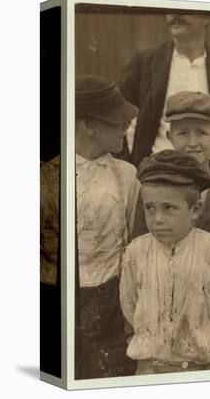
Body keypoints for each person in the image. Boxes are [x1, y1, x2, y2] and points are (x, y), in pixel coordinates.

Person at [45, 74, 140, 379]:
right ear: (87, 125)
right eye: (116, 122)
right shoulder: (49, 175)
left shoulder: (127, 174)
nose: (125, 127)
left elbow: (129, 237)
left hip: (112, 298)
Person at [120, 150, 210, 374]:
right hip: (150, 367)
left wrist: (207, 343)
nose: (157, 219)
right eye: (150, 208)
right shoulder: (136, 252)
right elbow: (129, 303)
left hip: (199, 367)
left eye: (169, 208)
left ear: (195, 210)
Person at [131, 91, 210, 285]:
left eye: (202, 133)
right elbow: (139, 244)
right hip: (161, 286)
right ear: (170, 137)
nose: (193, 143)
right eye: (183, 133)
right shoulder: (152, 184)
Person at [119, 11, 210, 166]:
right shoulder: (145, 62)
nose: (175, 15)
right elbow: (117, 115)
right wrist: (126, 165)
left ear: (206, 16)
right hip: (157, 172)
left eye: (185, 7)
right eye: (171, 7)